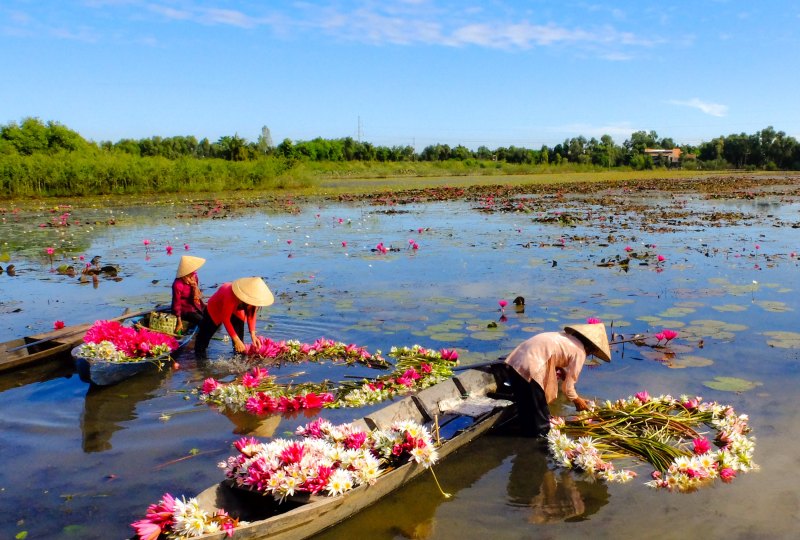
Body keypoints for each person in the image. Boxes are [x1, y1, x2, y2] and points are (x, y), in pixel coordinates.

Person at [504, 322, 611, 437]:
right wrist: (577, 400)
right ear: (590, 348)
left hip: (514, 362)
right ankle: (537, 446)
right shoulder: (580, 352)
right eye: (592, 352)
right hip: (532, 368)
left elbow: (551, 352)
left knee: (526, 409)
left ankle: (523, 434)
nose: (589, 354)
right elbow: (568, 388)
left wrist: (562, 370)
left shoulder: (562, 336)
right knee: (541, 424)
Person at [194, 276, 274, 358]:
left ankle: (238, 360)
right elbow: (226, 319)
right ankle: (200, 363)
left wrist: (253, 335)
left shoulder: (253, 301)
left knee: (240, 344)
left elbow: (251, 315)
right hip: (215, 310)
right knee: (203, 340)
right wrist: (236, 340)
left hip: (237, 311)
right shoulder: (230, 294)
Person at [172, 255, 206, 332]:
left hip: (196, 304)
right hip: (185, 310)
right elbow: (176, 304)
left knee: (213, 316)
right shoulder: (178, 284)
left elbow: (197, 295)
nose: (193, 274)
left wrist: (195, 287)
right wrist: (179, 322)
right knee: (203, 322)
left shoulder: (194, 277)